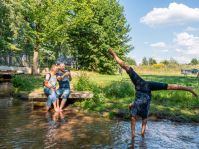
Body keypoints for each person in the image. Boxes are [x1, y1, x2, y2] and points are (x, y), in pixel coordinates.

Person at [108, 48, 198, 140]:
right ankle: (138, 134)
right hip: (145, 96)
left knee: (136, 113)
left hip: (142, 95)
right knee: (142, 115)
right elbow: (124, 65)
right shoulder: (138, 81)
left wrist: (114, 55)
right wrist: (114, 54)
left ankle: (134, 135)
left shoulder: (137, 81)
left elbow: (123, 65)